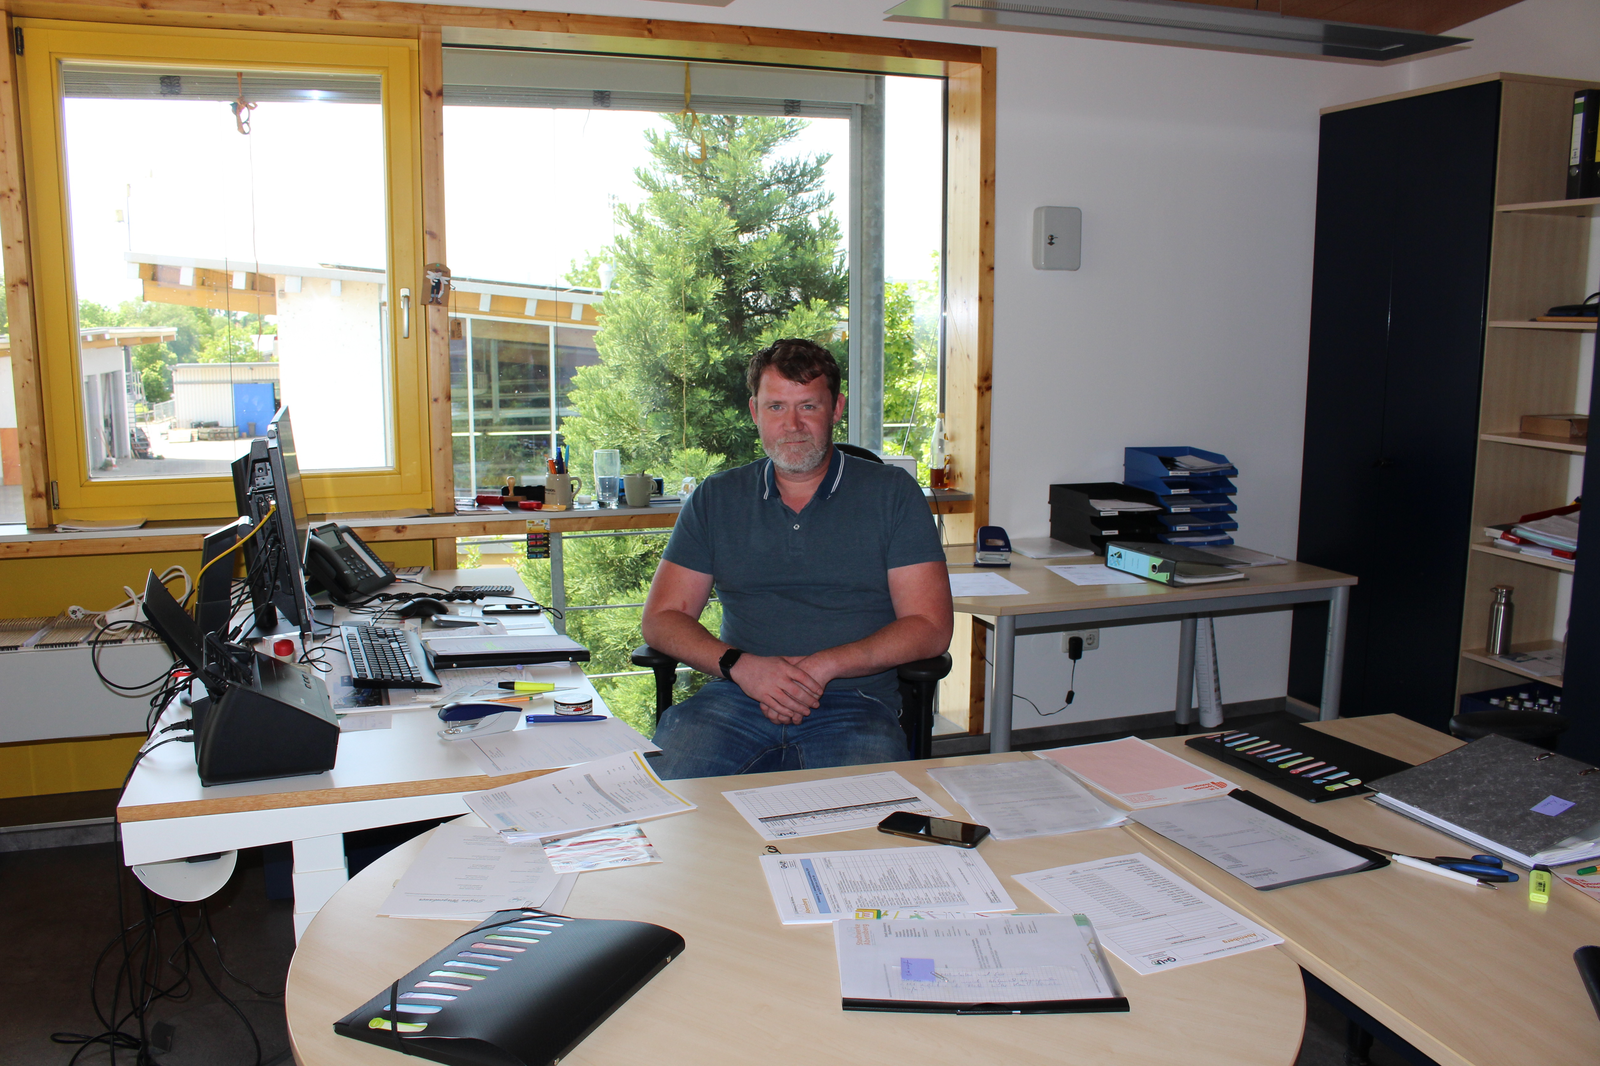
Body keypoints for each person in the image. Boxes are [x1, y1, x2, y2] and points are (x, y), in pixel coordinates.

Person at [641, 338, 953, 779]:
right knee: (666, 806)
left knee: (861, 819)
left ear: (836, 408)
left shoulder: (893, 495)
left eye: (808, 406)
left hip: (855, 705)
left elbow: (930, 625)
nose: (792, 424)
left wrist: (823, 666)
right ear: (755, 412)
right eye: (776, 407)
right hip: (737, 698)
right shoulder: (717, 498)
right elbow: (662, 618)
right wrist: (741, 666)